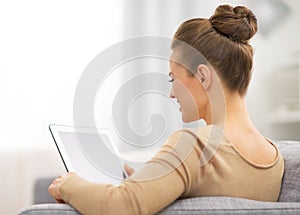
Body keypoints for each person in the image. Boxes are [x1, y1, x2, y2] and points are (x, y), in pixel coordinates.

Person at [49, 4, 284, 215]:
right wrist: (149, 181)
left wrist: (68, 183)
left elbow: (120, 206)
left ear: (202, 76)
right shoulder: (275, 159)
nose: (171, 93)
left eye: (173, 78)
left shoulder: (194, 145)